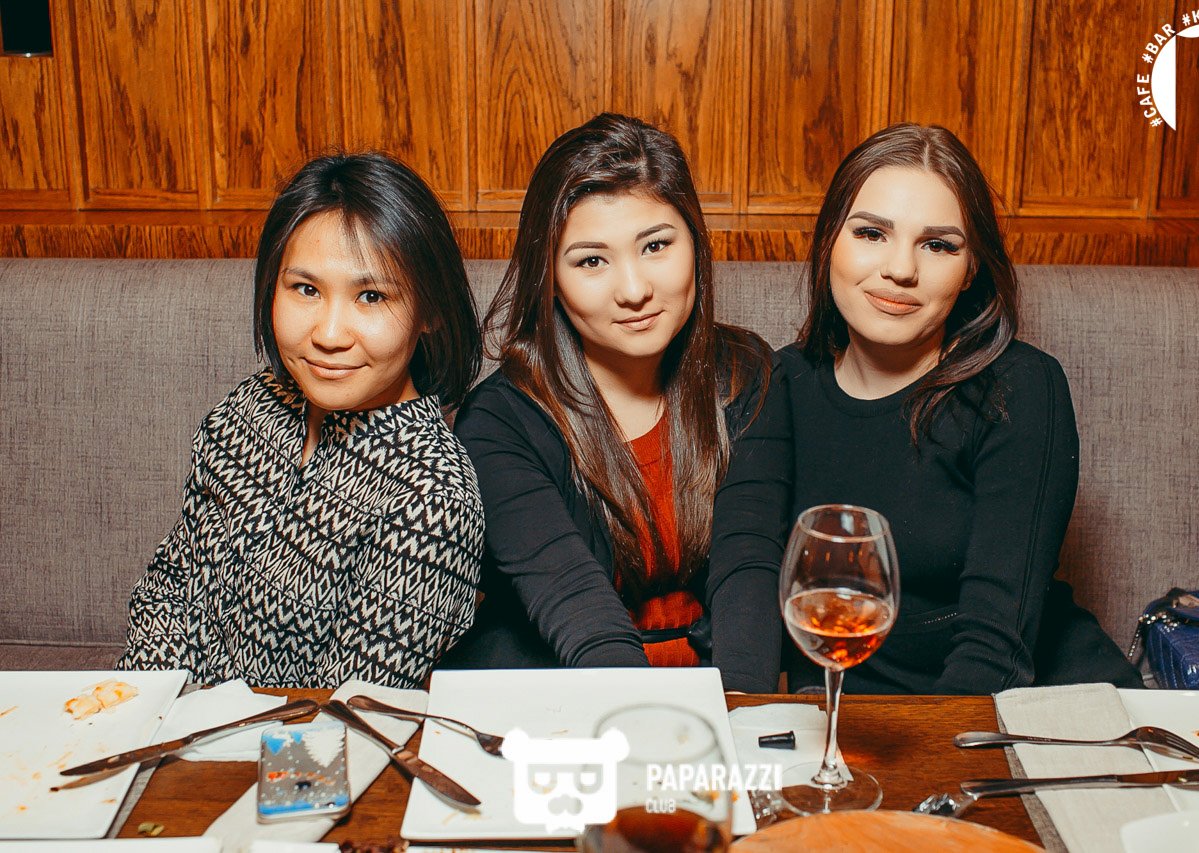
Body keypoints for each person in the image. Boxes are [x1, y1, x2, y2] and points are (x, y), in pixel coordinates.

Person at [781, 123, 1141, 694]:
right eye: (872, 233)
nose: (901, 269)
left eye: (938, 245)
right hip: (861, 722)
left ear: (971, 268)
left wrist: (919, 752)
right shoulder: (781, 383)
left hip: (1029, 709)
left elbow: (994, 654)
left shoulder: (1019, 388)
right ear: (829, 241)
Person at [441, 113, 790, 693]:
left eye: (655, 245)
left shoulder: (745, 373)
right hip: (564, 698)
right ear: (550, 277)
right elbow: (578, 610)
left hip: (715, 693)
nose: (634, 290)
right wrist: (647, 727)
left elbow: (749, 566)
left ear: (695, 243)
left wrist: (735, 722)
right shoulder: (501, 420)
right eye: (591, 261)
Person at [118, 153, 485, 689]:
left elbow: (348, 710)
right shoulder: (248, 409)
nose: (329, 334)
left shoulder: (431, 497)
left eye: (371, 296)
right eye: (306, 289)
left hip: (302, 744)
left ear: (429, 311)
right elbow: (170, 590)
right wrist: (146, 713)